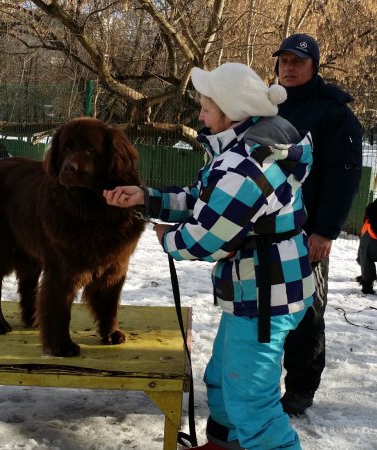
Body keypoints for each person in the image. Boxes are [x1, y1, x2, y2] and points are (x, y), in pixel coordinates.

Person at [104, 62, 315, 450]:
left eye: (205, 107)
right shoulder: (241, 147)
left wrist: (170, 239)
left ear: (231, 111)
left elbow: (207, 237)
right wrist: (147, 197)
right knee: (222, 378)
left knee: (250, 400)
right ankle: (223, 445)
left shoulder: (246, 165)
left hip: (265, 296)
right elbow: (206, 201)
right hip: (260, 287)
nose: (199, 115)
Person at [272, 33, 363, 415]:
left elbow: (344, 179)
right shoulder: (267, 104)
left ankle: (300, 389)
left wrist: (325, 231)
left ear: (314, 66)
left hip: (308, 232)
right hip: (266, 230)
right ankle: (257, 382)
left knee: (306, 312)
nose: (289, 68)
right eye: (284, 61)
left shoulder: (334, 112)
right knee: (266, 309)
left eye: (298, 62)